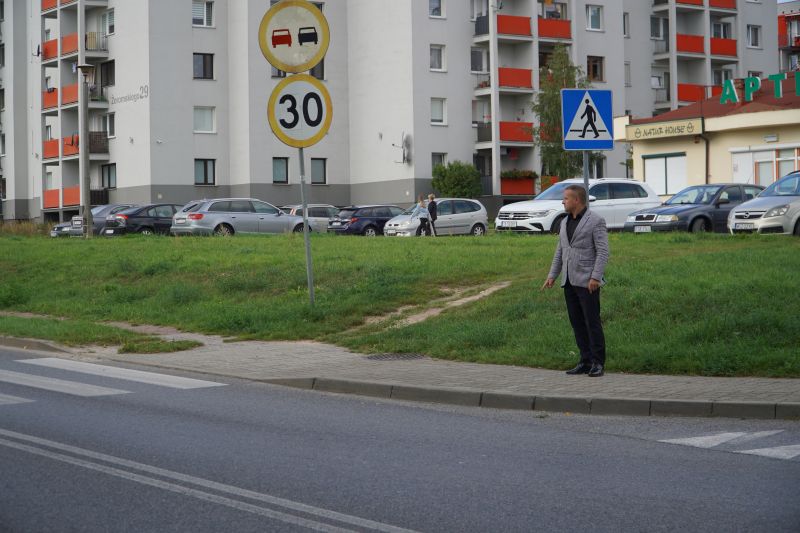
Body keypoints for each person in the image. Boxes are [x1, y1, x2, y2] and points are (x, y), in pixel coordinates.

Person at [541, 185, 609, 377]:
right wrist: (552, 275)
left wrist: (595, 277)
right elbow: (561, 250)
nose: (563, 202)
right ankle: (585, 360)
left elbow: (603, 251)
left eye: (566, 199)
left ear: (576, 200)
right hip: (569, 281)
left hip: (588, 281)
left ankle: (598, 362)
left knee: (592, 322)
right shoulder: (564, 222)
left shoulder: (595, 220)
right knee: (577, 322)